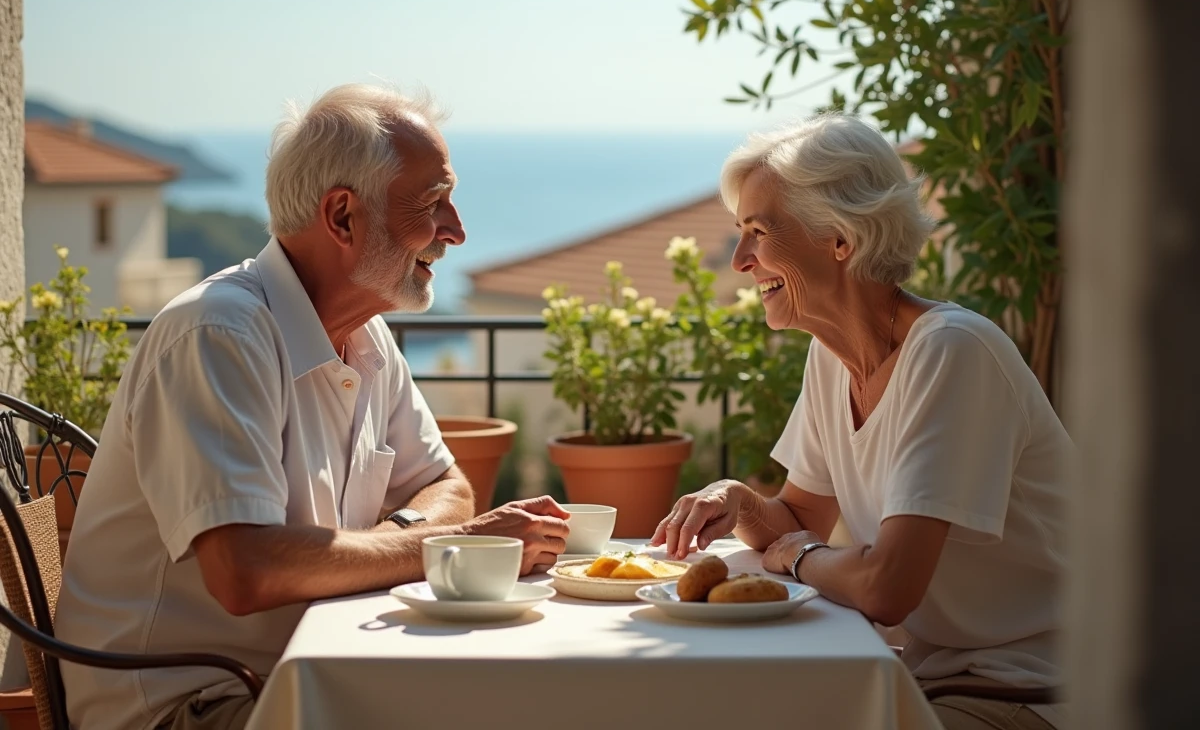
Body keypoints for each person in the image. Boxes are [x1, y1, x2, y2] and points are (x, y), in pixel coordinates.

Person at [55, 84, 571, 730]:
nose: (457, 231)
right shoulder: (217, 335)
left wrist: (410, 536)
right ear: (343, 217)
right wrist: (451, 544)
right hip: (188, 705)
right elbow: (246, 572)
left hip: (303, 671)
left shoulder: (365, 334)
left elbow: (448, 485)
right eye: (435, 202)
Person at [651, 114, 1069, 730]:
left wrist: (799, 557)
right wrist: (740, 503)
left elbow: (885, 588)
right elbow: (797, 521)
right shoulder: (831, 358)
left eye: (758, 232)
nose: (740, 260)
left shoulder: (952, 351)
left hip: (1035, 689)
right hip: (933, 675)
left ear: (840, 240)